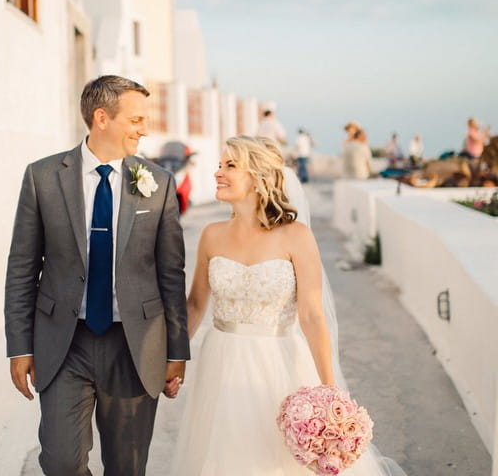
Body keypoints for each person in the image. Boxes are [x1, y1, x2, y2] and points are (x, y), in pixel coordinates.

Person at [171, 136, 405, 475]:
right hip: (220, 360)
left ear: (259, 176)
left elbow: (311, 315)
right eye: (220, 165)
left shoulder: (296, 236)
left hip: (279, 362)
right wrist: (176, 359)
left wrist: (330, 391)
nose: (218, 173)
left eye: (230, 166)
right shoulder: (211, 234)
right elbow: (195, 304)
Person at [5, 75, 190, 476]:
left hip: (134, 344)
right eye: (136, 119)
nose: (145, 128)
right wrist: (19, 346)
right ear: (102, 118)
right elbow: (22, 267)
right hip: (64, 342)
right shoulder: (43, 176)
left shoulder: (158, 183)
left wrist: (176, 351)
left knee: (127, 466)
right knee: (60, 461)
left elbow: (171, 274)